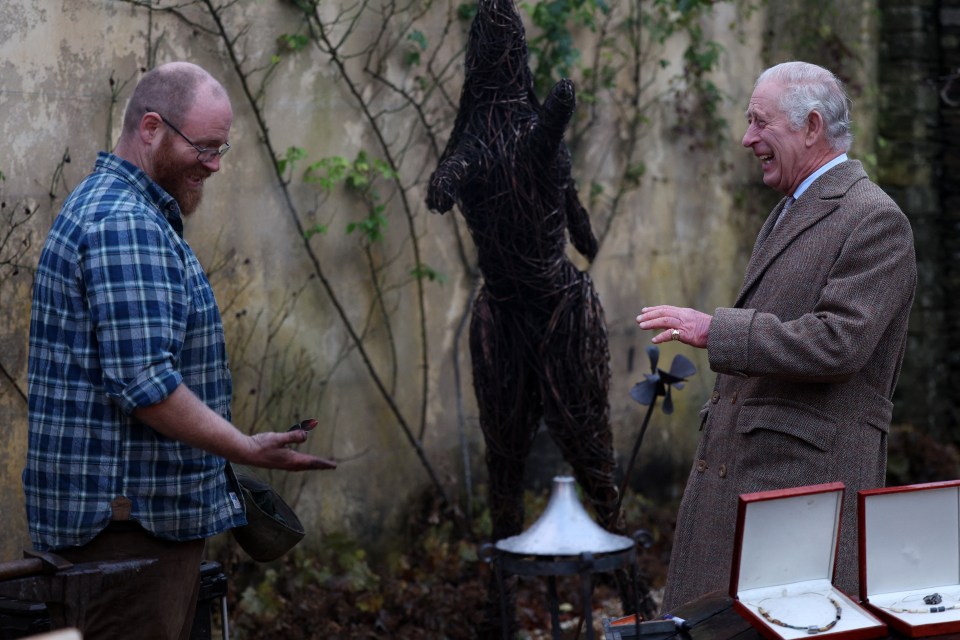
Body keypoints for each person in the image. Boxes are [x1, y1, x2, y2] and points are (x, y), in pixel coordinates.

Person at [23, 61, 336, 639]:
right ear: (150, 128)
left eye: (223, 148)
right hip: (126, 537)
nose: (215, 164)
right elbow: (146, 385)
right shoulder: (125, 223)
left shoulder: (123, 211)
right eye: (205, 146)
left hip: (127, 533)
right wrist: (243, 447)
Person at [637, 61, 917, 611]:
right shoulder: (793, 208)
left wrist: (718, 330)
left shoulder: (876, 219)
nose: (747, 139)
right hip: (756, 485)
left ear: (811, 127)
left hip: (803, 493)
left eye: (759, 123)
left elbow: (840, 342)